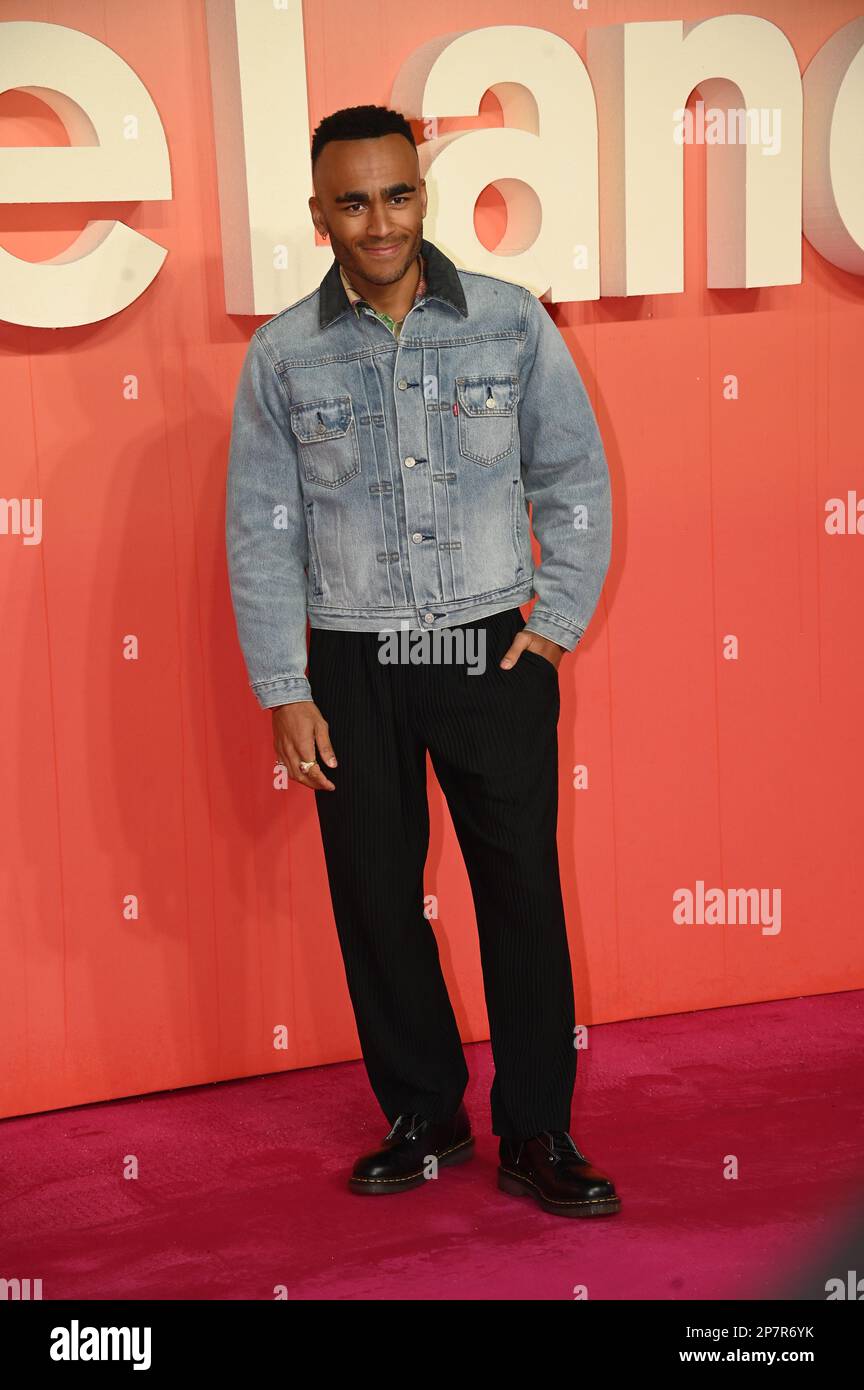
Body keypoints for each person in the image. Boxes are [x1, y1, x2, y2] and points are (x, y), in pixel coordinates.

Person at [226, 104, 619, 1218]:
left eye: (397, 194)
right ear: (318, 215)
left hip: (489, 650)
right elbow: (262, 527)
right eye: (352, 201)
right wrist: (283, 684)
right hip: (351, 662)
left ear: (422, 195)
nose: (380, 221)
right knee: (375, 897)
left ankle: (539, 1127)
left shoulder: (506, 322)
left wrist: (550, 630)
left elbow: (573, 480)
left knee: (522, 895)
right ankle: (426, 1111)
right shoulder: (282, 355)